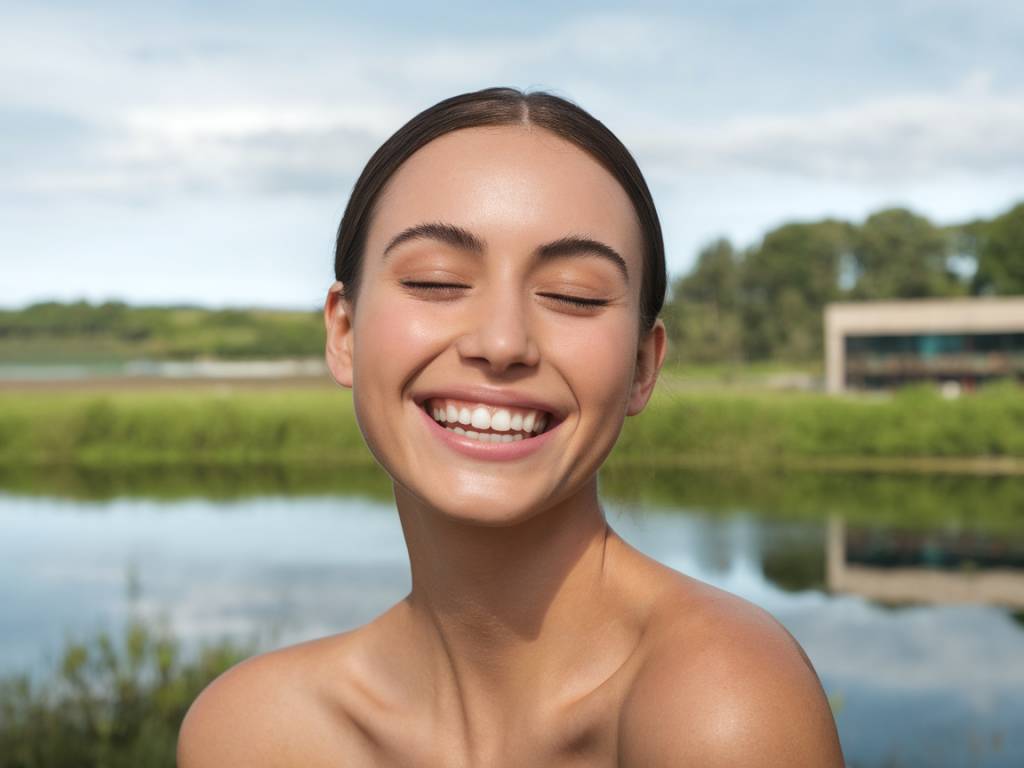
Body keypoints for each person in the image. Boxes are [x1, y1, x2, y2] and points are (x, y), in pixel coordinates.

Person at [177, 86, 845, 767]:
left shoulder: (723, 702)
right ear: (344, 332)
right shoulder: (250, 733)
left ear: (643, 364)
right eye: (437, 281)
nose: (502, 342)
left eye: (572, 295)